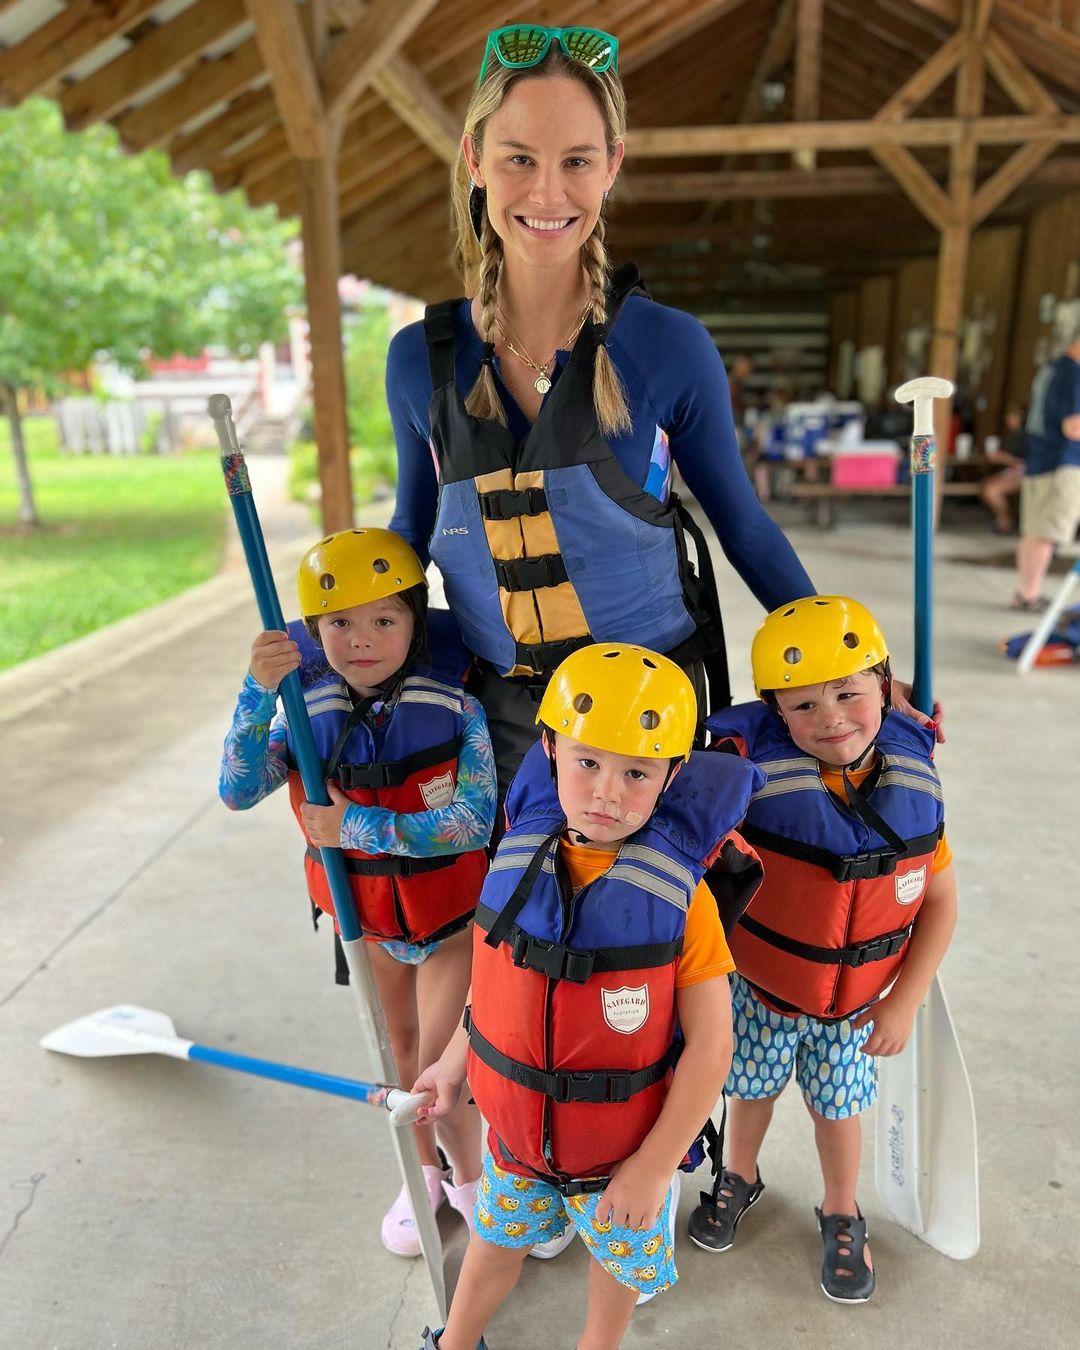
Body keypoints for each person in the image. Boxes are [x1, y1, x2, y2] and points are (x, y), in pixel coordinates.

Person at [412, 644, 764, 1350]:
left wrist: (656, 1166)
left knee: (614, 1271)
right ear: (547, 749)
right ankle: (454, 1343)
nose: (607, 792)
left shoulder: (681, 900)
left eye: (636, 771)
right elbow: (494, 991)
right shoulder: (514, 862)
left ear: (674, 773)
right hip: (517, 1145)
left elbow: (713, 1045)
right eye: (587, 762)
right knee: (491, 1250)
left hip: (624, 1159)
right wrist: (449, 1070)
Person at [218, 528, 495, 1257]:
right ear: (314, 632)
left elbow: (472, 823)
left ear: (414, 621)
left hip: (448, 928)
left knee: (442, 1072)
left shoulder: (457, 711)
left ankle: (476, 1185)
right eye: (340, 623)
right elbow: (237, 790)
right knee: (400, 1062)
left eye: (385, 619)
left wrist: (359, 827)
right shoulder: (303, 720)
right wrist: (255, 691)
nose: (362, 639)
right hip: (368, 928)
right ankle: (423, 1176)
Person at [687, 597, 958, 1304]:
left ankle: (843, 1210)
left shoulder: (915, 783)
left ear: (885, 687)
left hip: (855, 1009)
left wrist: (907, 998)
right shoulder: (750, 779)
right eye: (803, 706)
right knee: (748, 1092)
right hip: (761, 989)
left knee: (839, 1112)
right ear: (774, 710)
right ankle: (739, 1176)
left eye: (849, 693)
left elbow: (939, 898)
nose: (831, 718)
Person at [1014, 332, 1080, 610]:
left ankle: (1026, 592)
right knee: (1046, 534)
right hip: (1061, 463)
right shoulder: (1075, 375)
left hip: (1039, 460)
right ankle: (1030, 595)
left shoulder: (1051, 370)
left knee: (1033, 532)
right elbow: (1073, 427)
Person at [979, 406, 1027, 534]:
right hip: (1015, 471)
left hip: (1026, 473)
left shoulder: (1027, 436)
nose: (1008, 419)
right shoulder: (1016, 435)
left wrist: (1003, 458)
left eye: (1012, 416)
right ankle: (1003, 517)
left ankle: (1005, 520)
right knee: (986, 483)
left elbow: (1023, 462)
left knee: (991, 490)